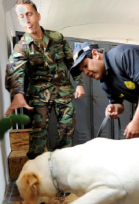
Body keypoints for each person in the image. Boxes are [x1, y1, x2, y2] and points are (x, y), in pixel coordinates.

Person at [5, 0, 85, 160]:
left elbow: (71, 62)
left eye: (29, 14)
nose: (26, 20)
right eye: (21, 17)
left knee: (67, 130)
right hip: (39, 95)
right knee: (38, 135)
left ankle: (60, 165)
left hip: (63, 91)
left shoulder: (57, 37)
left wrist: (80, 83)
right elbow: (14, 70)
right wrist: (17, 93)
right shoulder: (22, 47)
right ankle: (37, 170)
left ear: (38, 15)